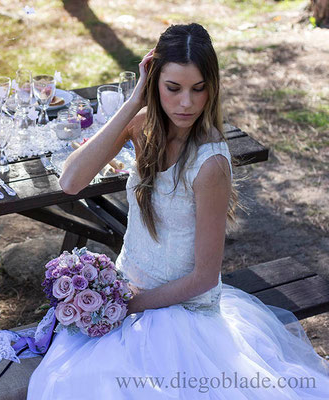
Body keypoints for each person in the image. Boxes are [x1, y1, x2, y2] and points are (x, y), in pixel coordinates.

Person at [26, 23, 329, 399]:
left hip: (179, 314)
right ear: (155, 84)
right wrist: (136, 99)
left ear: (211, 89)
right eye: (173, 88)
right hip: (128, 291)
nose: (186, 103)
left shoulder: (209, 164)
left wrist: (124, 304)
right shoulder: (143, 129)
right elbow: (70, 182)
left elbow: (203, 277)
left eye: (198, 89)